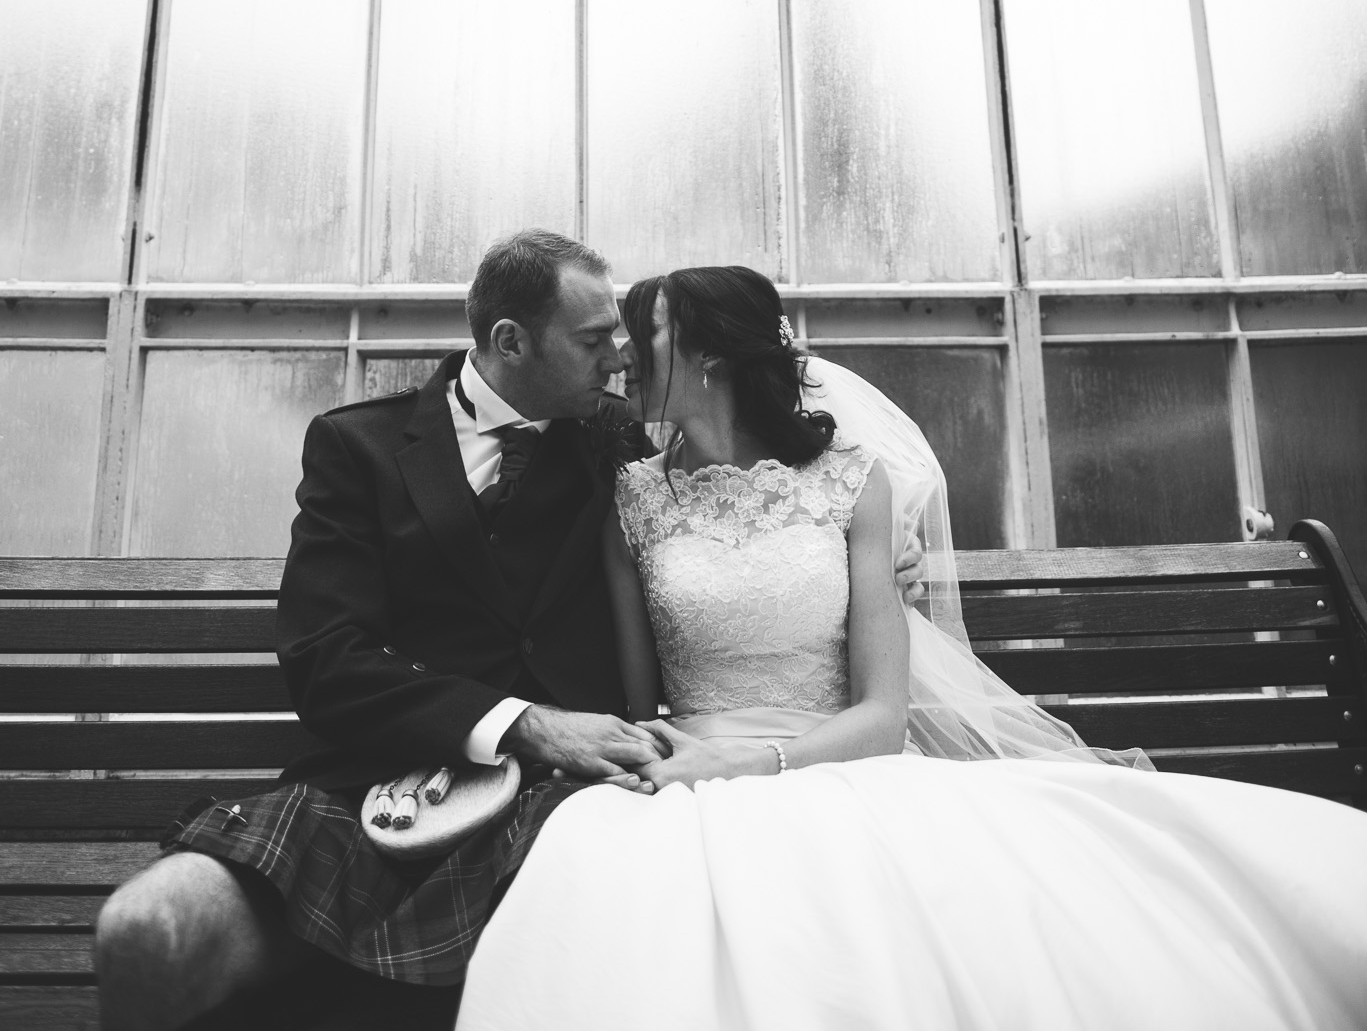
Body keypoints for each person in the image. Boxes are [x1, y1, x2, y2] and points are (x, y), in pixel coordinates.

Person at [455, 265, 1367, 1031]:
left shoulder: (856, 485)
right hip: (682, 772)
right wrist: (666, 756)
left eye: (638, 336)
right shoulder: (631, 495)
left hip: (840, 763)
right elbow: (635, 694)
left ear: (706, 356)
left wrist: (749, 759)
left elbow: (882, 717)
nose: (618, 354)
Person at [93, 227, 931, 1028]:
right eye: (596, 338)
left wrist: (868, 547)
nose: (620, 357)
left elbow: (751, 487)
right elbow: (325, 658)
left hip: (566, 804)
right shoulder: (359, 448)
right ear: (510, 341)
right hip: (370, 784)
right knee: (148, 929)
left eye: (626, 338)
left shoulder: (620, 442)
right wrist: (522, 724)